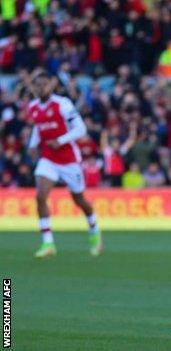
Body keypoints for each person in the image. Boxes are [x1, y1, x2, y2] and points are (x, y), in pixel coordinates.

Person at [27, 71, 102, 258]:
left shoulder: (62, 104)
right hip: (48, 159)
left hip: (69, 160)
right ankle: (48, 243)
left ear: (51, 85)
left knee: (79, 200)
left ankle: (94, 229)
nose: (40, 88)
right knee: (40, 195)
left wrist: (60, 140)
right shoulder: (33, 106)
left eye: (44, 84)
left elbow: (81, 129)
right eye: (37, 85)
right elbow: (38, 127)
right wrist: (32, 145)